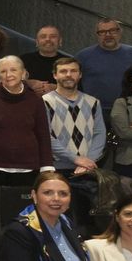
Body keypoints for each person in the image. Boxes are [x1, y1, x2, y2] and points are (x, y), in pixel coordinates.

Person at [0, 57, 55, 186]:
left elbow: (43, 135)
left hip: (29, 170)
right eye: (3, 71)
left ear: (23, 73)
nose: (8, 75)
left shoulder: (36, 100)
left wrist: (47, 167)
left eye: (13, 70)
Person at [44, 57, 108, 190]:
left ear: (80, 75)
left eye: (73, 71)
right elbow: (45, 136)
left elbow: (100, 134)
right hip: (56, 169)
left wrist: (87, 161)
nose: (68, 74)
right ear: (55, 75)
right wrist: (76, 159)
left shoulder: (93, 102)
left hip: (88, 169)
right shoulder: (44, 102)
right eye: (63, 71)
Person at [76, 18, 132, 112]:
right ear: (97, 35)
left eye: (112, 31)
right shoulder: (82, 56)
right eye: (102, 32)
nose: (108, 35)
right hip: (93, 110)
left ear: (120, 32)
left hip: (126, 109)